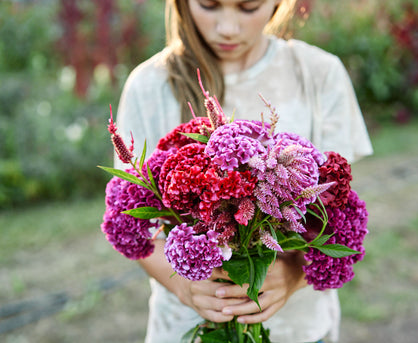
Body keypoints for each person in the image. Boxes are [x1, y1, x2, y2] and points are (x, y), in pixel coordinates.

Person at [115, 0, 373, 342]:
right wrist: (184, 287)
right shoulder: (149, 85)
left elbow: (338, 208)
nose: (228, 28)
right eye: (208, 5)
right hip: (184, 329)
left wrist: (293, 274)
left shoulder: (318, 72)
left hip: (298, 330)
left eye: (249, 7)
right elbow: (128, 221)